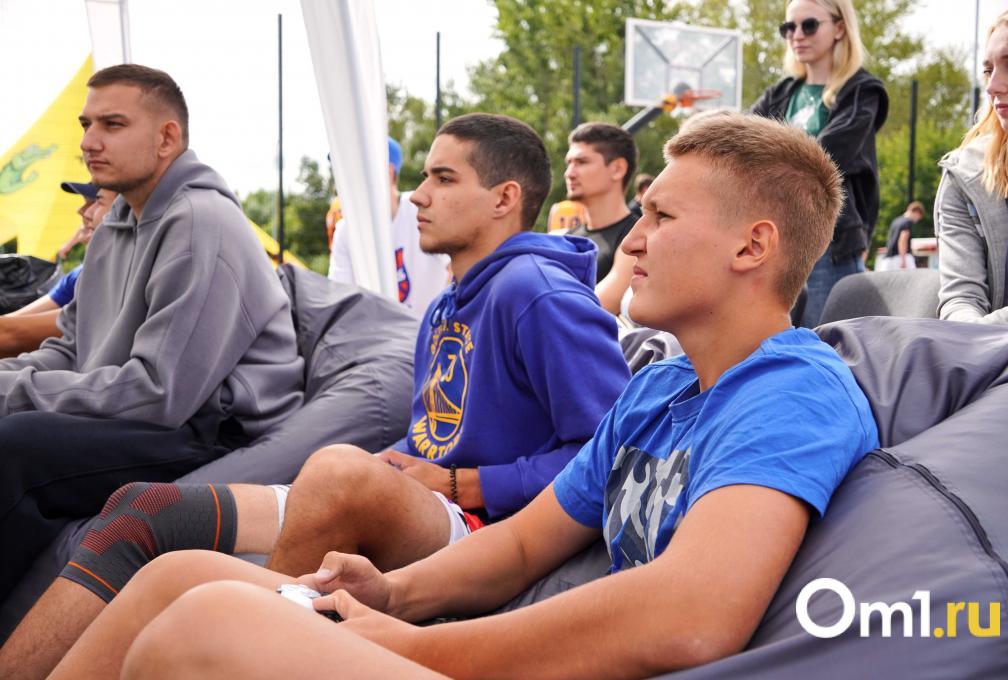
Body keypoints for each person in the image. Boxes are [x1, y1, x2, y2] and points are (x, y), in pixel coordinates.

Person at [44, 112, 879, 680]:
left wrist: (417, 645)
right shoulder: (661, 390)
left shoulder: (791, 391)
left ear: (751, 248)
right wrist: (389, 595)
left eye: (661, 217)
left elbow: (691, 617)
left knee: (213, 622)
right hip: (496, 628)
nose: (634, 240)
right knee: (179, 575)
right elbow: (520, 546)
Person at [2, 113, 630, 678]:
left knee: (336, 471)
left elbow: (613, 457)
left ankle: (245, 648)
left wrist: (467, 483)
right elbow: (436, 434)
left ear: (504, 198)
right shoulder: (448, 304)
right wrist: (400, 462)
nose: (418, 194)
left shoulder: (540, 293)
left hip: (489, 529)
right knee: (142, 510)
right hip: (429, 501)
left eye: (443, 178)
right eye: (424, 176)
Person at [0, 64, 304, 603]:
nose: (89, 142)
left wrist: (13, 394)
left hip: (210, 428)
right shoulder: (115, 225)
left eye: (112, 124)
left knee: (16, 446)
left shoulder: (201, 222)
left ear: (167, 138)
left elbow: (159, 396)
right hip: (145, 411)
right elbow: (69, 349)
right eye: (86, 124)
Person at [751, 0, 888, 327]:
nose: (797, 35)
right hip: (774, 239)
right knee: (773, 342)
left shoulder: (862, 91)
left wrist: (767, 155)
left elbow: (825, 157)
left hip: (830, 242)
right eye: (789, 27)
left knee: (827, 342)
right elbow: (741, 145)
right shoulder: (781, 93)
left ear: (839, 27)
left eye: (809, 25)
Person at [935, 5, 1008, 325]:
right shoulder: (966, 176)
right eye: (988, 69)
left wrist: (978, 337)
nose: (993, 85)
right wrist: (973, 339)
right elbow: (960, 299)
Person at [328, 137, 450, 318]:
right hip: (377, 333)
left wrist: (441, 319)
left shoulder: (421, 209)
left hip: (431, 329)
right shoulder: (346, 231)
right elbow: (339, 299)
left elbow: (457, 268)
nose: (344, 180)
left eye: (352, 170)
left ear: (387, 172)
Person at [0, 185, 116, 358]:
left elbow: (13, 335)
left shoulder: (118, 277)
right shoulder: (81, 275)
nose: (83, 212)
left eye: (97, 201)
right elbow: (12, 325)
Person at [564, 122, 639, 283]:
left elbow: (604, 298)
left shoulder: (636, 237)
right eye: (569, 163)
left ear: (617, 169)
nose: (569, 173)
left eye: (582, 162)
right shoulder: (569, 238)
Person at [876, 201, 924, 271]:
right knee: (913, 276)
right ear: (916, 212)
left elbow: (892, 239)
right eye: (918, 217)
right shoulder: (908, 222)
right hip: (901, 256)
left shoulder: (896, 221)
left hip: (888, 258)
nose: (917, 220)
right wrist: (903, 259)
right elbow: (902, 240)